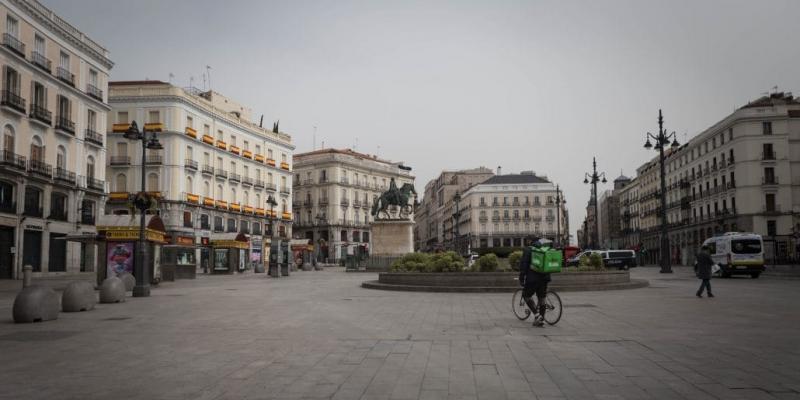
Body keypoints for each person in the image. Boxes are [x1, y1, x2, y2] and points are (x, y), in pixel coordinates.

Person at [519, 237, 551, 327]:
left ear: (530, 242)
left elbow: (524, 264)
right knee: (542, 298)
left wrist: (521, 278)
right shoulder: (544, 249)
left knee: (526, 295)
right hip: (545, 277)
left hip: (533, 278)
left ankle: (537, 315)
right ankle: (541, 319)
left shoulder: (528, 250)